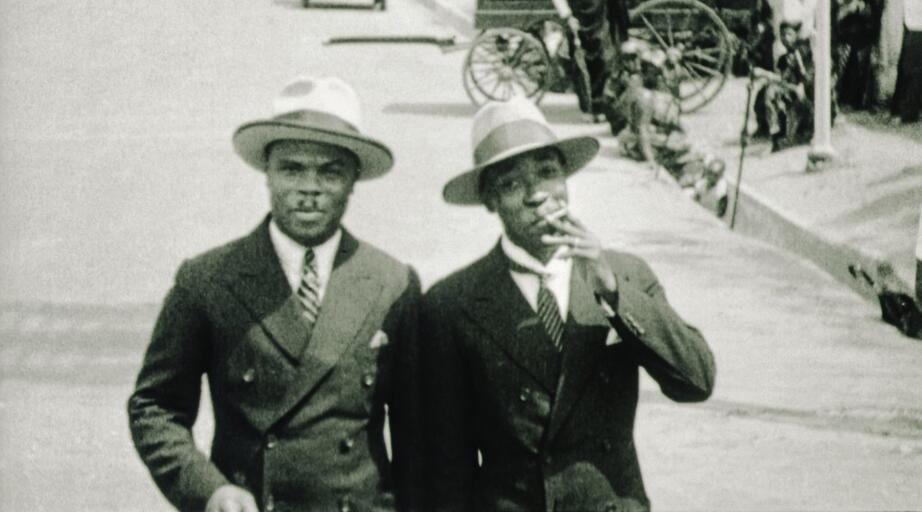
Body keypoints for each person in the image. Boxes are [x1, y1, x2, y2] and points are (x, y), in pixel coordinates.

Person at [127, 76, 424, 512]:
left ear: (353, 180)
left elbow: (421, 436)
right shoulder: (208, 279)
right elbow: (155, 407)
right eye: (291, 169)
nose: (309, 187)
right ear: (266, 172)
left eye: (330, 172)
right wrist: (210, 490)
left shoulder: (392, 283)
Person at [421, 97, 716, 512]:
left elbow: (696, 382)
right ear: (489, 200)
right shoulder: (451, 304)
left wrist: (612, 291)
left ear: (565, 178)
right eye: (511, 184)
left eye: (547, 173)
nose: (536, 195)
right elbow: (447, 462)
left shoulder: (624, 274)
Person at [890, 0, 922, 124]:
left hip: (915, 25)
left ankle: (906, 111)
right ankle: (903, 110)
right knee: (909, 69)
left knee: (912, 70)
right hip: (914, 25)